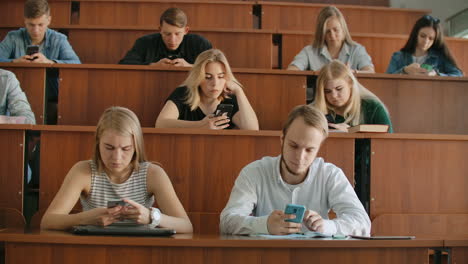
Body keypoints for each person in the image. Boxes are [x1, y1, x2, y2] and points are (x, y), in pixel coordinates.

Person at [220, 105, 370, 235]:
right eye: (293, 146)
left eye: (309, 150)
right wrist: (264, 225)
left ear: (319, 148)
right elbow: (227, 221)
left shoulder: (330, 174)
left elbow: (362, 223)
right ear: (282, 139)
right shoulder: (254, 172)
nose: (299, 157)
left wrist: (328, 226)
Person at [41, 107, 193, 233]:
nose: (117, 157)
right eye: (109, 148)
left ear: (136, 147)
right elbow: (48, 221)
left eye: (126, 148)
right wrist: (85, 219)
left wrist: (151, 217)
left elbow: (186, 227)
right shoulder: (83, 171)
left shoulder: (153, 174)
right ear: (98, 143)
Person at [155, 49, 259, 130]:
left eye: (221, 76)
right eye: (208, 77)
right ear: (198, 78)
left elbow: (252, 129)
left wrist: (239, 92)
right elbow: (161, 123)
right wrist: (200, 125)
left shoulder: (230, 97)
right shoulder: (183, 93)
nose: (215, 84)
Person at [287, 6, 374, 102]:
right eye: (327, 31)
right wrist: (315, 73)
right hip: (318, 103)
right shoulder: (309, 51)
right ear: (321, 33)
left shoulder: (357, 50)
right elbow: (291, 72)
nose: (332, 35)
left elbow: (370, 72)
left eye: (336, 30)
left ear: (343, 29)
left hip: (350, 102)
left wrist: (351, 72)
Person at [313, 60, 393, 132]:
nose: (333, 95)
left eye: (339, 89)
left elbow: (387, 144)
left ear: (350, 83)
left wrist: (350, 134)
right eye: (327, 91)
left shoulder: (373, 107)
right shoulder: (314, 111)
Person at [119, 7, 212, 66]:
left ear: (186, 30)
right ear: (160, 30)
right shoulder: (144, 42)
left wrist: (190, 67)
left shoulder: (200, 43)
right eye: (167, 33)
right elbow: (125, 64)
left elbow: (216, 68)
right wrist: (152, 65)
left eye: (177, 34)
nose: (172, 40)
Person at [0, 0, 80, 64]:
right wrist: (14, 62)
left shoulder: (59, 39)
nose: (36, 30)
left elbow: (76, 63)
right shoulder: (13, 37)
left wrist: (49, 62)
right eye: (31, 25)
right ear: (25, 20)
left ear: (49, 20)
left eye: (40, 25)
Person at [386, 15, 463, 77]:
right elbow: (386, 80)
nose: (426, 41)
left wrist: (437, 75)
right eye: (422, 36)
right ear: (415, 35)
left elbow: (458, 75)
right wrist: (404, 71)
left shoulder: (440, 57)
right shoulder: (398, 56)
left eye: (431, 38)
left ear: (435, 40)